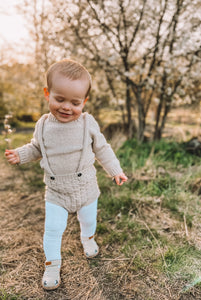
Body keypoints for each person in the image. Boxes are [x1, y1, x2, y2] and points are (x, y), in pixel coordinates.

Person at [4, 59, 128, 290]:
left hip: (86, 187)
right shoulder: (42, 124)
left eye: (75, 102)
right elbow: (37, 148)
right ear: (47, 93)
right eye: (59, 99)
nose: (66, 107)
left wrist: (115, 171)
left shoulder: (86, 122)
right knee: (53, 229)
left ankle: (87, 239)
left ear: (84, 102)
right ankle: (52, 264)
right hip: (56, 191)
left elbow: (102, 148)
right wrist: (21, 154)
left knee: (88, 220)